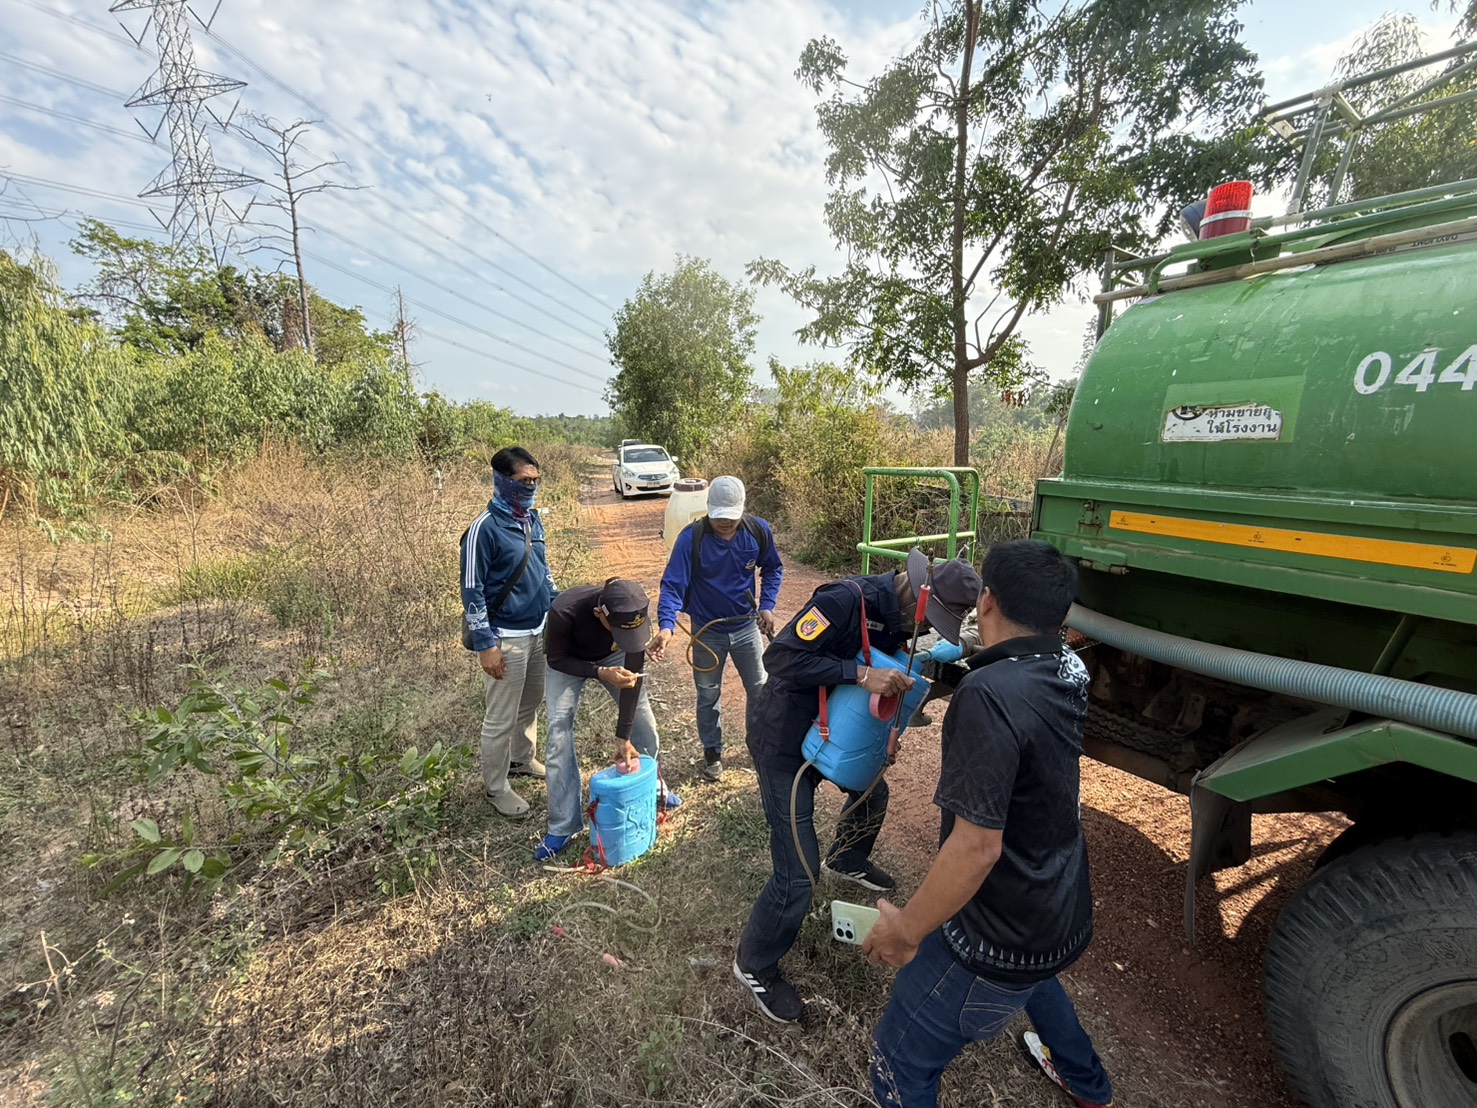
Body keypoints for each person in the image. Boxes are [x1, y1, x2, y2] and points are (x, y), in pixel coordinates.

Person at [863, 540, 1114, 1108]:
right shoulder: (1070, 666)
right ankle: (1090, 1086)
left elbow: (976, 849)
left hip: (993, 934)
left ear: (988, 602)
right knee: (1035, 979)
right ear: (1062, 614)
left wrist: (906, 931)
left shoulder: (987, 695)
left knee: (899, 1060)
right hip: (1057, 910)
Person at [733, 549, 983, 1024]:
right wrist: (861, 675)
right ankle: (754, 963)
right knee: (798, 874)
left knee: (873, 793)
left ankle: (847, 859)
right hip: (783, 741)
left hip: (834, 735)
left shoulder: (899, 620)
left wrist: (886, 731)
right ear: (916, 591)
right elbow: (779, 656)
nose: (921, 628)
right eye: (927, 619)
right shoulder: (843, 601)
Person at [535, 577, 683, 862]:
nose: (626, 636)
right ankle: (563, 825)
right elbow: (556, 659)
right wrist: (599, 672)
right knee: (558, 731)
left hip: (613, 658)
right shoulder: (564, 610)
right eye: (618, 630)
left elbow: (633, 683)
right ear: (600, 613)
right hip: (568, 662)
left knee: (644, 722)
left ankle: (652, 786)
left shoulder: (633, 615)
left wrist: (623, 736)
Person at [650, 476, 782, 781]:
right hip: (706, 632)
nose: (725, 522)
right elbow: (673, 585)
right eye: (719, 516)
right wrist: (667, 626)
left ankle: (757, 747)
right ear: (708, 508)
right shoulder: (691, 538)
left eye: (731, 517)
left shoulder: (757, 531)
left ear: (743, 508)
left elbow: (773, 567)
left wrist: (767, 605)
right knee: (708, 695)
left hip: (747, 627)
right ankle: (712, 754)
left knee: (759, 688)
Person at [460, 446, 556, 819]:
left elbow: (544, 572)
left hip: (537, 631)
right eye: (523, 481)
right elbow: (472, 590)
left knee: (530, 703)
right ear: (501, 480)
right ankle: (496, 787)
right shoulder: (484, 529)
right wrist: (487, 646)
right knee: (500, 717)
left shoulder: (532, 520)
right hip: (505, 637)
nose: (530, 487)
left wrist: (558, 607)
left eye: (535, 480)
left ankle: (522, 759)